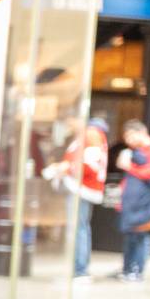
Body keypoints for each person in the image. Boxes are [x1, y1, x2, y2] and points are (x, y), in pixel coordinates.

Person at [45, 116, 108, 278]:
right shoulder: (88, 135)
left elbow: (90, 164)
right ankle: (79, 269)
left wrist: (66, 168)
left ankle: (80, 270)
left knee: (78, 229)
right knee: (81, 228)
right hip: (82, 188)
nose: (69, 125)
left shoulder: (91, 134)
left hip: (82, 189)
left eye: (70, 121)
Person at [115, 118, 150, 282]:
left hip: (145, 203)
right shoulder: (138, 151)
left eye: (130, 136)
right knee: (131, 237)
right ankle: (128, 268)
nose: (128, 141)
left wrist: (130, 167)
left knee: (140, 237)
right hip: (133, 203)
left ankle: (137, 270)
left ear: (140, 132)